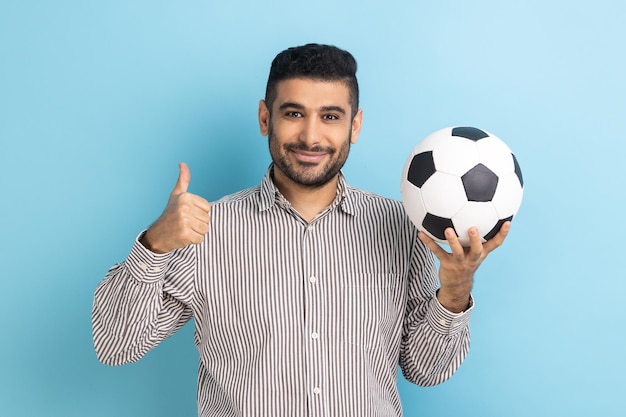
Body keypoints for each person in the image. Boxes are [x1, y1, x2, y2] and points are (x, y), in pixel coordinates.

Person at [92, 43, 510, 417]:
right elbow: (115, 345)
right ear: (264, 118)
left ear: (355, 125)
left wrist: (454, 292)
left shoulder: (402, 227)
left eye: (330, 116)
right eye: (294, 114)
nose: (311, 136)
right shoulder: (204, 231)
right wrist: (154, 245)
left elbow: (426, 370)